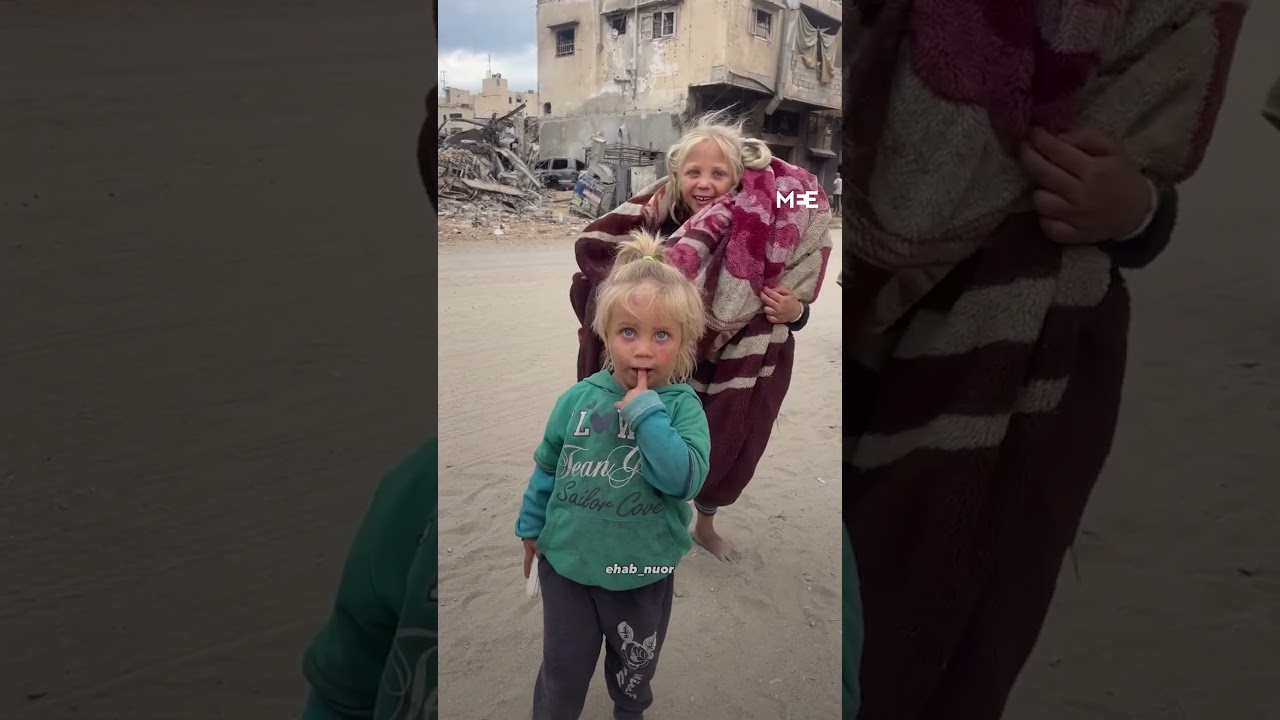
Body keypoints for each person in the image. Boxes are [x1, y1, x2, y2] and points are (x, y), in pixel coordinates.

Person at [842, 1, 1245, 717]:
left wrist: (1140, 211)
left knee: (938, 642)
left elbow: (1149, 123)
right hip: (852, 335)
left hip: (1023, 360)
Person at [571, 113, 833, 562]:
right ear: (676, 175)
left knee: (722, 440)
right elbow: (605, 278)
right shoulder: (657, 220)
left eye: (718, 173)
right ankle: (645, 515)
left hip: (737, 358)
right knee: (644, 435)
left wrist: (796, 311)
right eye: (694, 172)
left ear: (738, 180)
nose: (704, 183)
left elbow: (802, 253)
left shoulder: (762, 224)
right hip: (663, 357)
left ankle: (704, 524)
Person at [517, 230, 712, 720]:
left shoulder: (682, 407)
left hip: (640, 569)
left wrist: (647, 413)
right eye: (629, 332)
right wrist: (530, 527)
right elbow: (547, 466)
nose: (643, 349)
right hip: (568, 565)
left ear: (685, 341)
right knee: (562, 672)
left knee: (633, 672)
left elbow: (683, 481)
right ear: (606, 334)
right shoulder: (577, 398)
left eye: (661, 335)